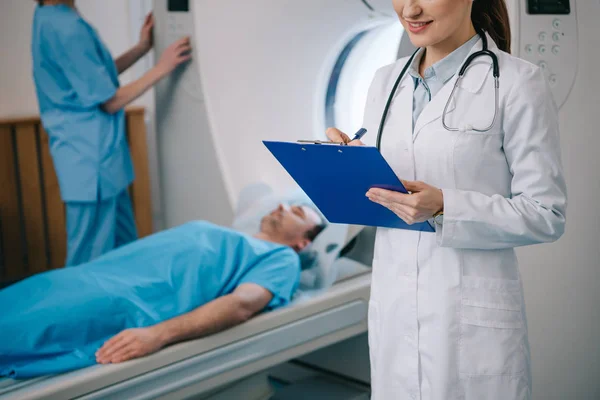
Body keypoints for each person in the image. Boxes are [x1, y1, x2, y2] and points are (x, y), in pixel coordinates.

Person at [326, 0, 567, 399]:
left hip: (470, 318)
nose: (409, 8)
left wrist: (445, 206)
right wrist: (348, 167)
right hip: (395, 308)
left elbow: (547, 213)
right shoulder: (384, 81)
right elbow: (388, 192)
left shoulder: (518, 82)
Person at [0, 204, 324, 379]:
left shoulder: (280, 259)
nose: (282, 207)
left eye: (297, 212)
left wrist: (158, 334)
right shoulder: (231, 235)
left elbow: (241, 304)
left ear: (302, 243)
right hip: (87, 277)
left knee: (21, 327)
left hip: (122, 300)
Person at [31, 0, 192, 266]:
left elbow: (94, 77)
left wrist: (142, 49)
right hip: (89, 162)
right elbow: (110, 100)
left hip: (100, 160)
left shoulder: (51, 17)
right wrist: (162, 67)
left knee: (125, 252)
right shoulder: (64, 26)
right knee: (90, 260)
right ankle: (83, 309)